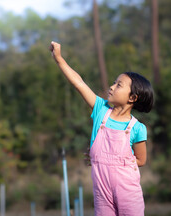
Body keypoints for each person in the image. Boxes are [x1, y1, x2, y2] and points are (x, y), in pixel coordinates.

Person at [49, 41, 154, 216]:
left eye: (119, 85)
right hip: (102, 192)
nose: (111, 87)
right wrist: (59, 59)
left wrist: (113, 161)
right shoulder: (101, 110)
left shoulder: (137, 128)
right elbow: (79, 83)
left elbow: (141, 160)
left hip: (128, 193)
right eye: (114, 82)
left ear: (132, 97)